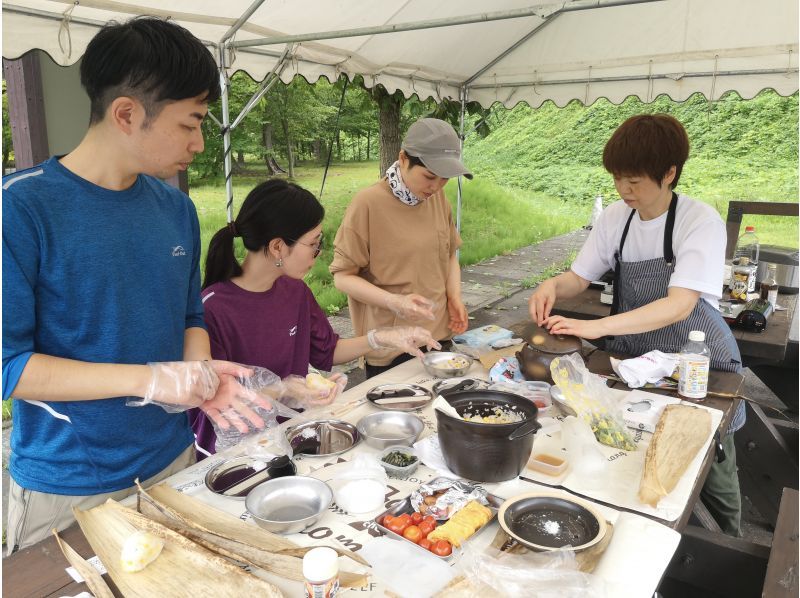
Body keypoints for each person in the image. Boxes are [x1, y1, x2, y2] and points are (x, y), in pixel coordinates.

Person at [2, 17, 265, 552]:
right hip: (68, 482)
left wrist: (197, 376)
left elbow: (190, 316)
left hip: (172, 456)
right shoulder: (21, 208)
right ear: (126, 113)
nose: (199, 143)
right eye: (190, 123)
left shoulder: (176, 210)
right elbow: (10, 368)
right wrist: (147, 380)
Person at [528, 113, 745, 536]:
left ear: (669, 173)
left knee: (708, 462)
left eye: (635, 180)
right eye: (617, 179)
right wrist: (552, 284)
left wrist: (591, 329)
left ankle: (727, 545)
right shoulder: (615, 218)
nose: (624, 190)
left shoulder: (698, 222)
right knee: (632, 450)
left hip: (697, 362)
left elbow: (679, 305)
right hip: (633, 358)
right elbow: (580, 278)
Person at [191, 179, 440, 455]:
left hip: (293, 433)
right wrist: (286, 389)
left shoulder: (295, 290)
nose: (317, 255)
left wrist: (384, 337)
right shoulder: (213, 308)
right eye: (313, 244)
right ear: (277, 247)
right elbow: (219, 398)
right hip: (234, 452)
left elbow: (328, 351)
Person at [330, 118, 471, 378]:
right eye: (429, 176)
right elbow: (343, 278)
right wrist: (395, 302)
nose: (436, 187)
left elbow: (449, 254)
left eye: (445, 179)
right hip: (390, 346)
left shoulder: (438, 199)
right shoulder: (368, 204)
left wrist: (454, 298)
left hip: (438, 335)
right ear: (403, 158)